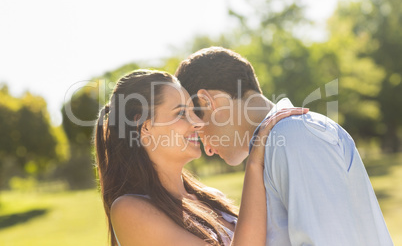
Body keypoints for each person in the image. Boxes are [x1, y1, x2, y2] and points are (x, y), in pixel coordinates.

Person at [175, 47, 394, 246]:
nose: (209, 150)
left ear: (206, 101)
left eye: (198, 127)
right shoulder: (277, 145)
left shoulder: (293, 136)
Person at [94, 69, 307, 246]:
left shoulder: (211, 198)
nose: (198, 122)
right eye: (181, 113)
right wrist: (254, 164)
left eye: (194, 112)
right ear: (145, 127)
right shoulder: (129, 210)